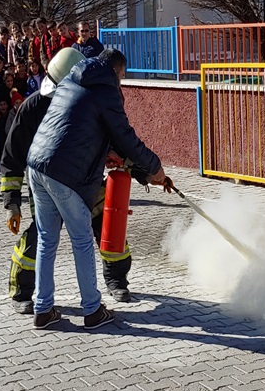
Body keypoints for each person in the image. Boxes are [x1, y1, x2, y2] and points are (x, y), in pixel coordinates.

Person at [25, 49, 167, 330]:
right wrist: (155, 168)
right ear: (116, 70)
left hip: (36, 165)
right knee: (81, 240)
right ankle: (92, 310)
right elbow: (125, 137)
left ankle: (43, 309)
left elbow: (79, 128)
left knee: (46, 240)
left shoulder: (71, 80)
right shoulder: (106, 91)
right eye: (123, 77)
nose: (122, 84)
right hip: (65, 173)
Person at [1, 47, 140, 315]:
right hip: (49, 181)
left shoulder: (90, 100)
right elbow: (12, 156)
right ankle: (24, 292)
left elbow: (118, 140)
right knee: (42, 238)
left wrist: (143, 171)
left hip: (85, 179)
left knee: (108, 225)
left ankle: (116, 280)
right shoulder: (32, 107)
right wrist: (12, 203)